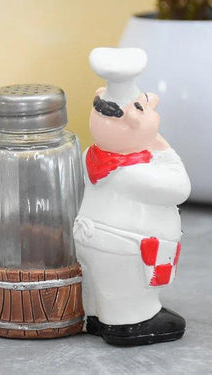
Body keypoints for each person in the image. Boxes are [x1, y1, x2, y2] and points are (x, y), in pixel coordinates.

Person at [74, 47, 191, 346]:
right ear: (132, 119)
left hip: (95, 239)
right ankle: (129, 322)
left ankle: (97, 316)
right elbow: (181, 187)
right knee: (128, 288)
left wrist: (144, 135)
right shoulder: (133, 173)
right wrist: (160, 145)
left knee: (101, 285)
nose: (154, 109)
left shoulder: (92, 155)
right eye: (144, 107)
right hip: (125, 247)